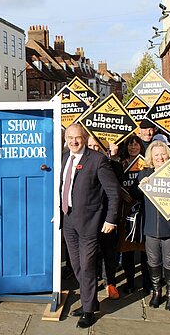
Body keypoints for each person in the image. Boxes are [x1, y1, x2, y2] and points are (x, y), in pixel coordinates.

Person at [61, 124, 120, 328]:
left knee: (87, 267)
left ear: (84, 138)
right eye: (70, 138)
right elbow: (62, 187)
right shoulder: (63, 157)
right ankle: (91, 299)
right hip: (68, 220)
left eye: (77, 138)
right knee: (76, 266)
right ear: (65, 138)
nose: (73, 142)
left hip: (89, 224)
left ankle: (88, 310)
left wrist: (111, 219)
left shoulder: (97, 160)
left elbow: (113, 192)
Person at [134, 140, 170, 311]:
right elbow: (135, 194)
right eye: (156, 155)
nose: (160, 157)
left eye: (163, 154)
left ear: (168, 155)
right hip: (151, 227)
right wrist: (142, 186)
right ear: (151, 158)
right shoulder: (144, 174)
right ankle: (156, 292)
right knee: (153, 261)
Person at [87, 136, 122, 301]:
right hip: (89, 216)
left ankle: (110, 283)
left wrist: (113, 158)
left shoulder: (112, 164)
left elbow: (117, 188)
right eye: (91, 146)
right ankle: (92, 284)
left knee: (109, 251)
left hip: (106, 215)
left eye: (97, 146)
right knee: (90, 253)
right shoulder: (83, 163)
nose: (94, 149)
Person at [116, 134, 150, 294]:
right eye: (130, 144)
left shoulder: (147, 164)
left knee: (144, 250)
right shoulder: (120, 164)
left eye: (136, 145)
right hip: (126, 211)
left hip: (144, 210)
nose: (133, 147)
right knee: (127, 249)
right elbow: (114, 183)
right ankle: (130, 282)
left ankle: (147, 282)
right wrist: (122, 193)